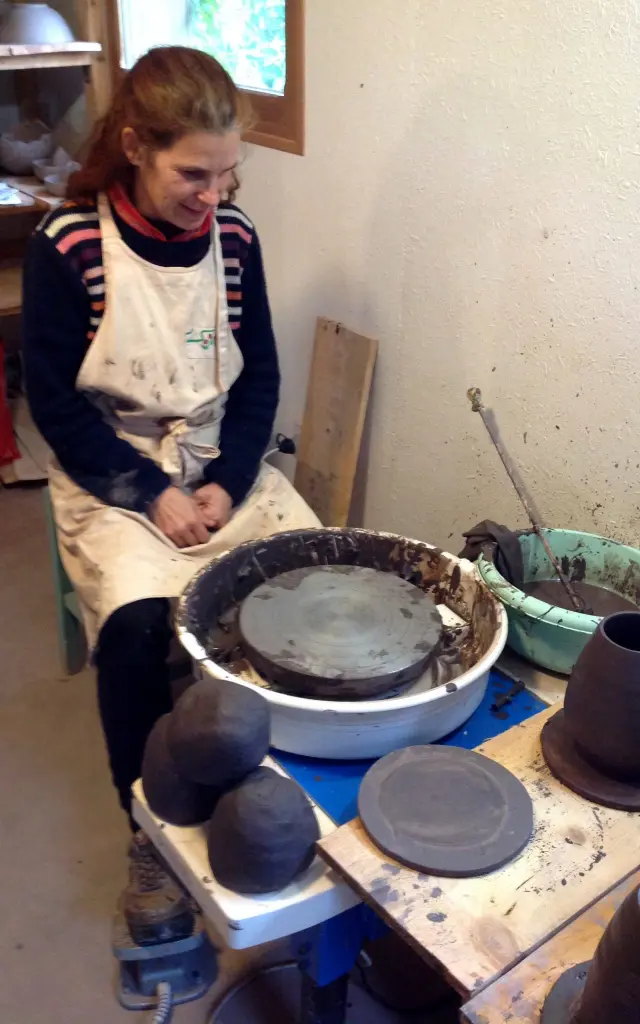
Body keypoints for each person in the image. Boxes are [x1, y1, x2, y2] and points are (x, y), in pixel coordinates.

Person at [23, 45, 319, 942]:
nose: (214, 194)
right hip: (112, 469)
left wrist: (229, 480)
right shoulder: (69, 244)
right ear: (135, 146)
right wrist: (155, 494)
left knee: (311, 588)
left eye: (230, 172)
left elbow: (260, 375)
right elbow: (55, 407)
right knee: (140, 628)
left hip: (220, 460)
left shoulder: (235, 238)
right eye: (194, 172)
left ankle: (287, 787)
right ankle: (148, 825)